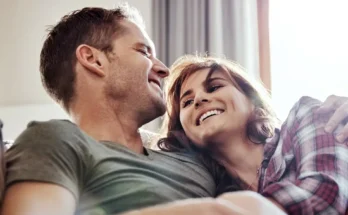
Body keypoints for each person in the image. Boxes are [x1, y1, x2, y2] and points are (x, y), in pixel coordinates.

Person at [1, 4, 348, 215]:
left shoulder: (195, 157)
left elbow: (318, 188)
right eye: (144, 51)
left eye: (213, 87)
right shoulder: (55, 141)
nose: (163, 69)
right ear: (92, 59)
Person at [159, 55, 348, 215]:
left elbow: (326, 195)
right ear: (183, 131)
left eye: (214, 87)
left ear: (252, 101)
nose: (199, 99)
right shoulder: (205, 191)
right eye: (187, 102)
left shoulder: (307, 114)